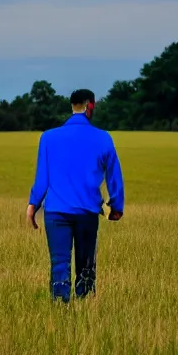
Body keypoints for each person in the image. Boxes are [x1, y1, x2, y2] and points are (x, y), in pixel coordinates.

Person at [26, 89, 124, 303]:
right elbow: (113, 176)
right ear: (90, 105)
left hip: (55, 212)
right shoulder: (103, 138)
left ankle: (61, 311)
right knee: (86, 266)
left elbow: (42, 177)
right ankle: (85, 309)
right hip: (87, 211)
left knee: (59, 264)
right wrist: (116, 206)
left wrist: (33, 204)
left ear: (73, 105)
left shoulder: (48, 138)